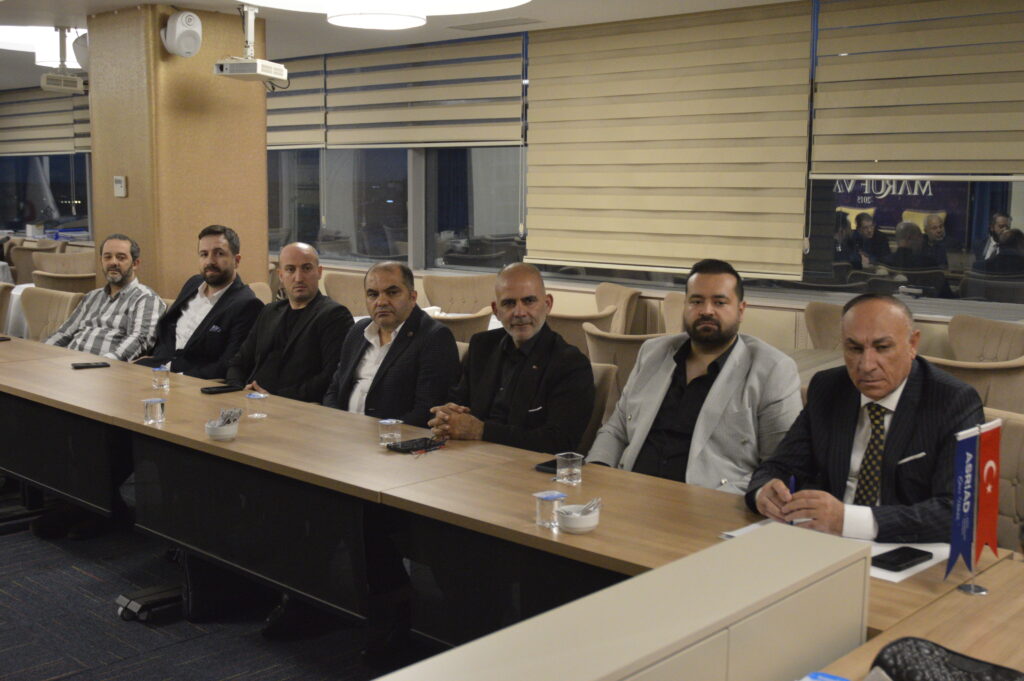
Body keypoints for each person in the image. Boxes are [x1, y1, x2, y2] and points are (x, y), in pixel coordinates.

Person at [746, 294, 983, 543]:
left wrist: (847, 520)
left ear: (913, 344)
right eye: (855, 349)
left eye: (882, 348)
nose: (867, 365)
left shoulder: (952, 401)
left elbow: (956, 512)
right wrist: (764, 492)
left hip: (902, 546)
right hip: (822, 541)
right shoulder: (829, 388)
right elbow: (779, 466)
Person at [587, 259, 802, 493]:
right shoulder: (652, 353)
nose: (706, 311)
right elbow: (616, 428)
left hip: (712, 502)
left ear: (741, 310)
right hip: (630, 492)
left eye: (719, 302)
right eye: (697, 301)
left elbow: (779, 464)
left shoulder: (772, 370)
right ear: (685, 306)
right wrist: (598, 473)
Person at [429, 262, 594, 454]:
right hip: (469, 457)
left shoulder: (569, 364)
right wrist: (447, 416)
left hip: (523, 466)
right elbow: (456, 402)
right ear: (496, 310)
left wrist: (482, 431)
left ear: (548, 304)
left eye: (529, 301)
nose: (519, 312)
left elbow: (560, 442)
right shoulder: (482, 347)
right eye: (509, 303)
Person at [323, 261, 460, 426]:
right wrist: (336, 423)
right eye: (373, 294)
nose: (381, 302)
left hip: (393, 437)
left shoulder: (434, 337)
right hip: (344, 430)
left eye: (392, 293)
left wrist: (382, 434)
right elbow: (334, 390)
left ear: (412, 297)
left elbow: (427, 411)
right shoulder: (358, 331)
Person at [225, 242, 352, 402]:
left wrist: (277, 398)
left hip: (293, 407)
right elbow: (239, 362)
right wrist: (238, 390)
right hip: (250, 401)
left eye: (306, 268)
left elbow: (330, 378)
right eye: (290, 269)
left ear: (319, 272)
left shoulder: (334, 315)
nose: (298, 278)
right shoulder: (269, 311)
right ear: (281, 275)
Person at [135, 225, 263, 378]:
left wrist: (178, 378)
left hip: (192, 381)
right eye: (204, 254)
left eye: (219, 253)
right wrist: (156, 360)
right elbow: (168, 327)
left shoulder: (247, 304)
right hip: (158, 370)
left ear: (236, 260)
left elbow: (228, 365)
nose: (210, 261)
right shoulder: (193, 284)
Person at [45, 233, 164, 361]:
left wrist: (105, 362)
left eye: (121, 257)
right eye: (107, 257)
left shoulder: (146, 299)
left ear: (135, 264)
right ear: (101, 261)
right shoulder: (91, 297)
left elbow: (139, 339)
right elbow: (64, 333)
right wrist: (41, 352)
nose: (113, 262)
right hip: (68, 362)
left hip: (105, 367)